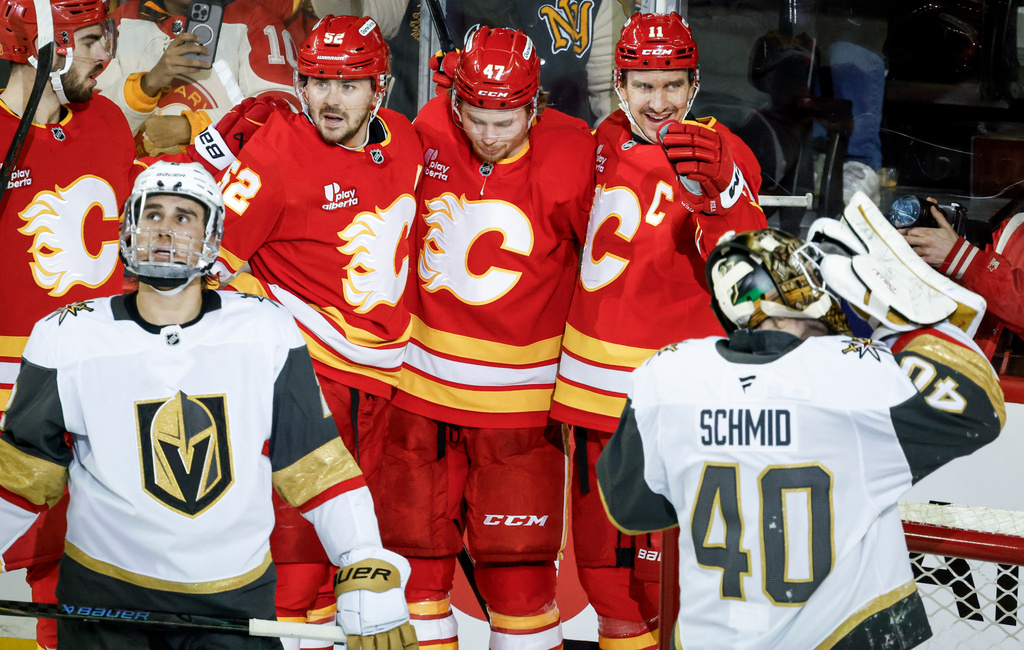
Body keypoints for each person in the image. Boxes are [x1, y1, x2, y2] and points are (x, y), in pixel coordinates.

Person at [0, 161, 417, 650]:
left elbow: (314, 462)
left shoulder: (265, 329)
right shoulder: (66, 335)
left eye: (184, 218)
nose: (164, 230)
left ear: (213, 235)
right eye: (151, 214)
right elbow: (22, 473)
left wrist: (363, 556)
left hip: (233, 598)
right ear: (128, 228)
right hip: (106, 598)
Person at [597, 227, 1004, 648]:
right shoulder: (855, 376)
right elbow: (981, 405)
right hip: (841, 635)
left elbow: (632, 509)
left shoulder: (670, 375)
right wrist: (899, 316)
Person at [547, 11, 766, 648]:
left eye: (673, 85)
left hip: (676, 396)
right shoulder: (597, 141)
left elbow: (748, 270)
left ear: (694, 84)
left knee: (674, 575)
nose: (660, 102)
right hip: (590, 394)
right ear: (619, 84)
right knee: (602, 573)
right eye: (645, 85)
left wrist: (725, 193)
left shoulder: (719, 150)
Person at [377, 26, 595, 649]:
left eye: (507, 121)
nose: (491, 136)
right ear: (454, 103)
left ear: (536, 105)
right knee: (413, 569)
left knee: (520, 577)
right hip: (418, 393)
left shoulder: (576, 151)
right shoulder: (426, 128)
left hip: (520, 406)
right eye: (477, 119)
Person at [211, 15, 421, 649]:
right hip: (309, 385)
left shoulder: (407, 139)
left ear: (379, 89)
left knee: (355, 569)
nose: (330, 99)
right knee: (295, 568)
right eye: (317, 81)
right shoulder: (275, 154)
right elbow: (211, 268)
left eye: (348, 84)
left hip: (381, 387)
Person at [0, 0, 136, 647]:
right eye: (86, 40)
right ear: (40, 43)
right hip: (14, 397)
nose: (102, 55)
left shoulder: (109, 122)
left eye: (104, 38)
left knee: (86, 581)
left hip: (101, 394)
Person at [95, 0, 298, 155]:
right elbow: (91, 128)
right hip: (136, 190)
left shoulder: (255, 19)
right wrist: (149, 83)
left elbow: (284, 114)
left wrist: (192, 128)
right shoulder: (120, 21)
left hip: (222, 193)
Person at [902, 204, 1024, 361]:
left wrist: (959, 256)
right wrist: (930, 238)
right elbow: (975, 274)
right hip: (965, 367)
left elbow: (968, 262)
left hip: (1005, 376)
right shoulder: (1015, 228)